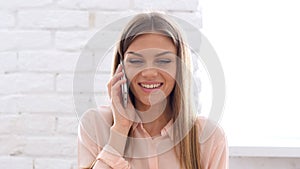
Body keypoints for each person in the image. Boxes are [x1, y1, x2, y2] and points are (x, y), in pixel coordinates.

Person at [78, 12, 228, 169]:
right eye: (136, 61)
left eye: (163, 61)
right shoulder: (94, 125)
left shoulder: (210, 138)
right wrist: (120, 129)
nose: (149, 72)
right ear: (121, 68)